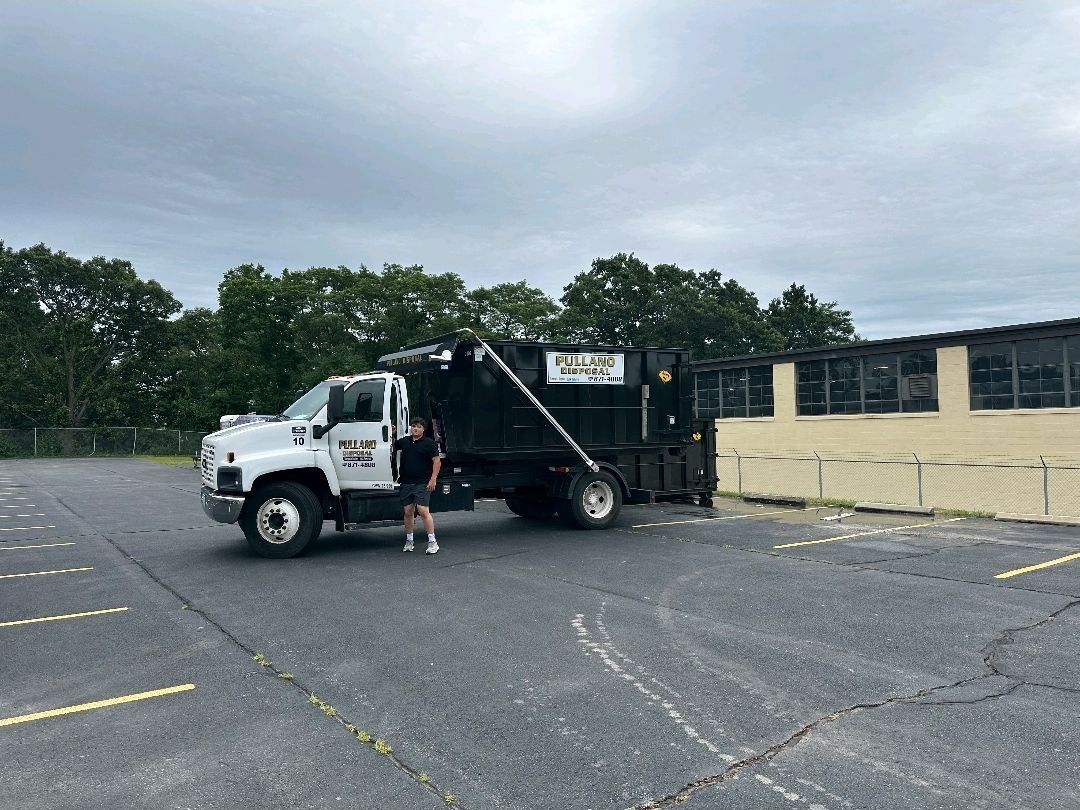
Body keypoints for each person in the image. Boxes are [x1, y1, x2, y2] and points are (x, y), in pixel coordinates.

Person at [394, 417, 441, 554]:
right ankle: (409, 541)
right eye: (413, 426)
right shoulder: (405, 442)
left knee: (423, 511)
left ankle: (433, 542)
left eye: (419, 426)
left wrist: (433, 479)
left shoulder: (429, 443)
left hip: (422, 483)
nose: (415, 428)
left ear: (423, 429)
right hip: (406, 482)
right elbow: (389, 444)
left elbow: (437, 462)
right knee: (408, 512)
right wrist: (392, 432)